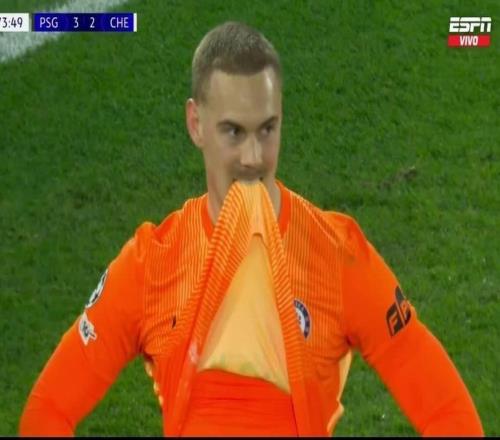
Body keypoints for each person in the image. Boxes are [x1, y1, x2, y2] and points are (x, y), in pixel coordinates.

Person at [19, 21, 483, 437]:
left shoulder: (336, 256)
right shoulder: (152, 264)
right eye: (233, 132)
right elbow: (48, 410)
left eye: (266, 129)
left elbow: (449, 412)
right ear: (196, 124)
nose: (253, 157)